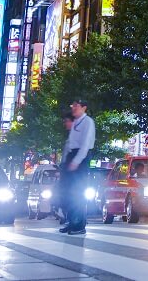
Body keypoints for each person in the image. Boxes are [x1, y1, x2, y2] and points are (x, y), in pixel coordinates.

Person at [60, 100, 95, 234]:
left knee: (78, 192)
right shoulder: (75, 122)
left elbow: (85, 144)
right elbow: (69, 143)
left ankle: (79, 225)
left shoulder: (88, 122)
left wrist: (77, 161)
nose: (73, 108)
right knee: (68, 191)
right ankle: (71, 221)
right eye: (72, 105)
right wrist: (65, 161)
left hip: (81, 156)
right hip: (72, 155)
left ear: (84, 108)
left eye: (76, 106)